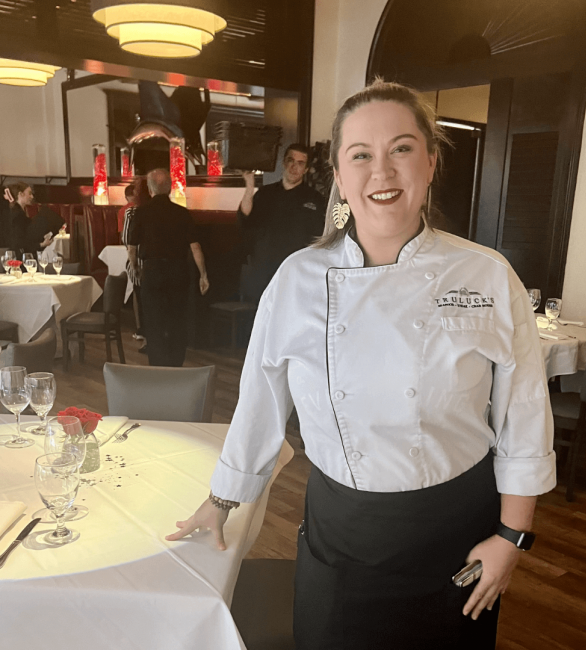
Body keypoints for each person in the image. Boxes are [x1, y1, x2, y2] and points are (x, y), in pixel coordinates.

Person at [166, 81, 556, 649]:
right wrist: (222, 499)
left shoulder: (487, 276)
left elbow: (524, 413)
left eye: (401, 149)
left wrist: (511, 538)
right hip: (341, 529)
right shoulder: (298, 279)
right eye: (361, 156)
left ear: (429, 161)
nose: (383, 171)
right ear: (340, 176)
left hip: (455, 528)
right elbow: (260, 400)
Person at [128, 169, 209, 367]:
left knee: (154, 319)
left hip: (152, 270)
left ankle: (157, 364)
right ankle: (176, 363)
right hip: (178, 271)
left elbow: (132, 247)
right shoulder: (182, 213)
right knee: (177, 317)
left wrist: (136, 266)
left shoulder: (140, 212)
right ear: (171, 187)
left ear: (149, 188)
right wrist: (203, 274)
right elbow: (195, 246)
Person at [238, 143, 326, 302]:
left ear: (306, 169)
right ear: (284, 163)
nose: (294, 167)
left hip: (297, 273)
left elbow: (320, 240)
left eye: (300, 163)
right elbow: (246, 218)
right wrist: (250, 185)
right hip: (263, 271)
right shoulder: (265, 193)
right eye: (291, 161)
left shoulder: (315, 199)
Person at [122, 178, 151, 350]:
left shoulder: (132, 213)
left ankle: (142, 331)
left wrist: (134, 265)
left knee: (140, 296)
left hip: (140, 261)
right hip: (160, 263)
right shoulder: (161, 212)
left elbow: (127, 240)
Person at [5, 183, 52, 259]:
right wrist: (41, 244)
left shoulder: (19, 212)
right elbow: (20, 242)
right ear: (20, 194)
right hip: (19, 257)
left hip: (19, 254)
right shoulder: (18, 215)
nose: (32, 197)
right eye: (29, 194)